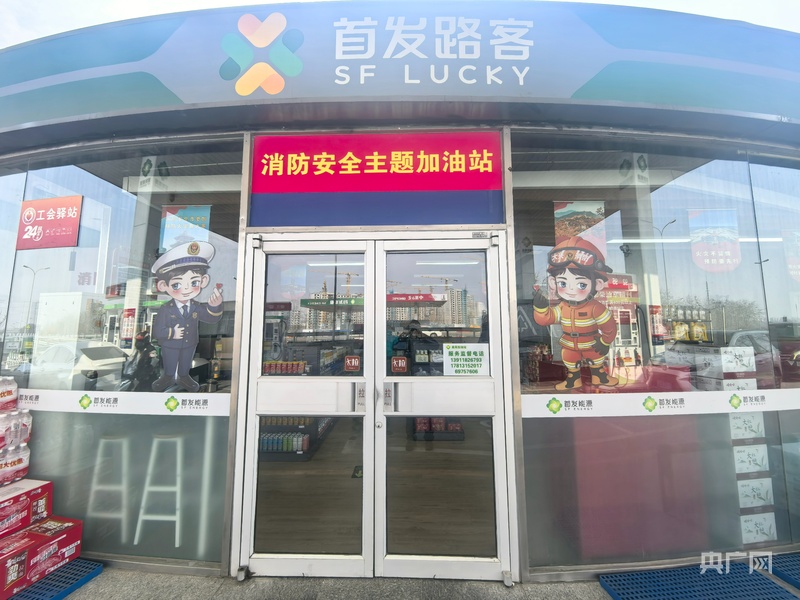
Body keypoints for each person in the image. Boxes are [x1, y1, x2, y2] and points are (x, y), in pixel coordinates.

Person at [532, 236, 618, 391]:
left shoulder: (595, 308)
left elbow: (609, 325)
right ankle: (573, 379)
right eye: (563, 283)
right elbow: (547, 318)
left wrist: (605, 341)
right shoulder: (562, 307)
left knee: (595, 359)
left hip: (592, 343)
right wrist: (541, 309)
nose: (571, 290)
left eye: (581, 284)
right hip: (570, 343)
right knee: (570, 359)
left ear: (597, 284)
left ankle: (599, 375)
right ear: (553, 283)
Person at [150, 241, 223, 392]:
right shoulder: (166, 309)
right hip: (170, 345)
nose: (187, 289)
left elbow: (211, 318)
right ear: (163, 286)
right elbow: (157, 331)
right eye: (177, 285)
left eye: (194, 282)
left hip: (190, 343)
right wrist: (172, 333)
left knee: (185, 363)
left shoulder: (196, 306)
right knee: (170, 363)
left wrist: (214, 306)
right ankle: (168, 377)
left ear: (204, 281)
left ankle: (184, 377)